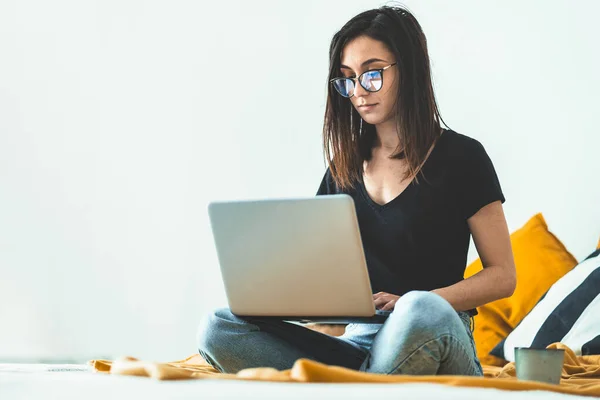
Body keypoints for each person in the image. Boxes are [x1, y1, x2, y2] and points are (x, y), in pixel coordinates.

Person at [197, 5, 516, 376]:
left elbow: (503, 276)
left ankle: (353, 382)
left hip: (434, 330)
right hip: (360, 341)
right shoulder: (343, 169)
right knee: (219, 326)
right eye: (348, 79)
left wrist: (416, 301)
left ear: (408, 69)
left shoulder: (463, 157)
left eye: (372, 74)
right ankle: (364, 381)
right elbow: (324, 280)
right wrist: (296, 305)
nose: (359, 91)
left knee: (419, 309)